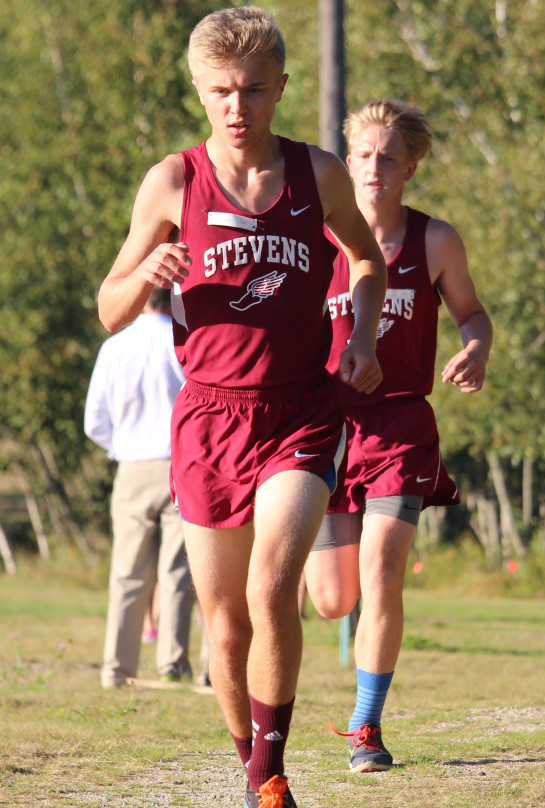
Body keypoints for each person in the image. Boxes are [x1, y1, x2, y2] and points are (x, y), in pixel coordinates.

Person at [95, 8, 388, 807]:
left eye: (254, 90)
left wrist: (361, 337)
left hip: (299, 410)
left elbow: (366, 258)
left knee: (272, 588)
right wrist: (145, 271)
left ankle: (271, 773)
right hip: (207, 418)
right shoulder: (172, 182)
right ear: (199, 89)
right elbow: (108, 308)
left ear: (281, 89)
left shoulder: (316, 174)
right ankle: (250, 757)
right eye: (222, 91)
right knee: (224, 624)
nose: (238, 106)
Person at [303, 99, 492, 772]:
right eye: (363, 154)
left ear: (410, 166)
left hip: (400, 424)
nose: (374, 167)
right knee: (334, 600)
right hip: (324, 427)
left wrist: (476, 348)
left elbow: (473, 314)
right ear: (346, 159)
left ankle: (366, 726)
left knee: (383, 571)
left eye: (388, 157)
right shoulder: (313, 237)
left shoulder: (433, 241)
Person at [85, 287, 194, 690]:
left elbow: (94, 419)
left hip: (131, 466)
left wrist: (121, 447)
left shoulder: (115, 346)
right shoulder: (184, 342)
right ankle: (172, 663)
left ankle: (117, 668)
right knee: (177, 572)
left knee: (127, 573)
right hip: (180, 464)